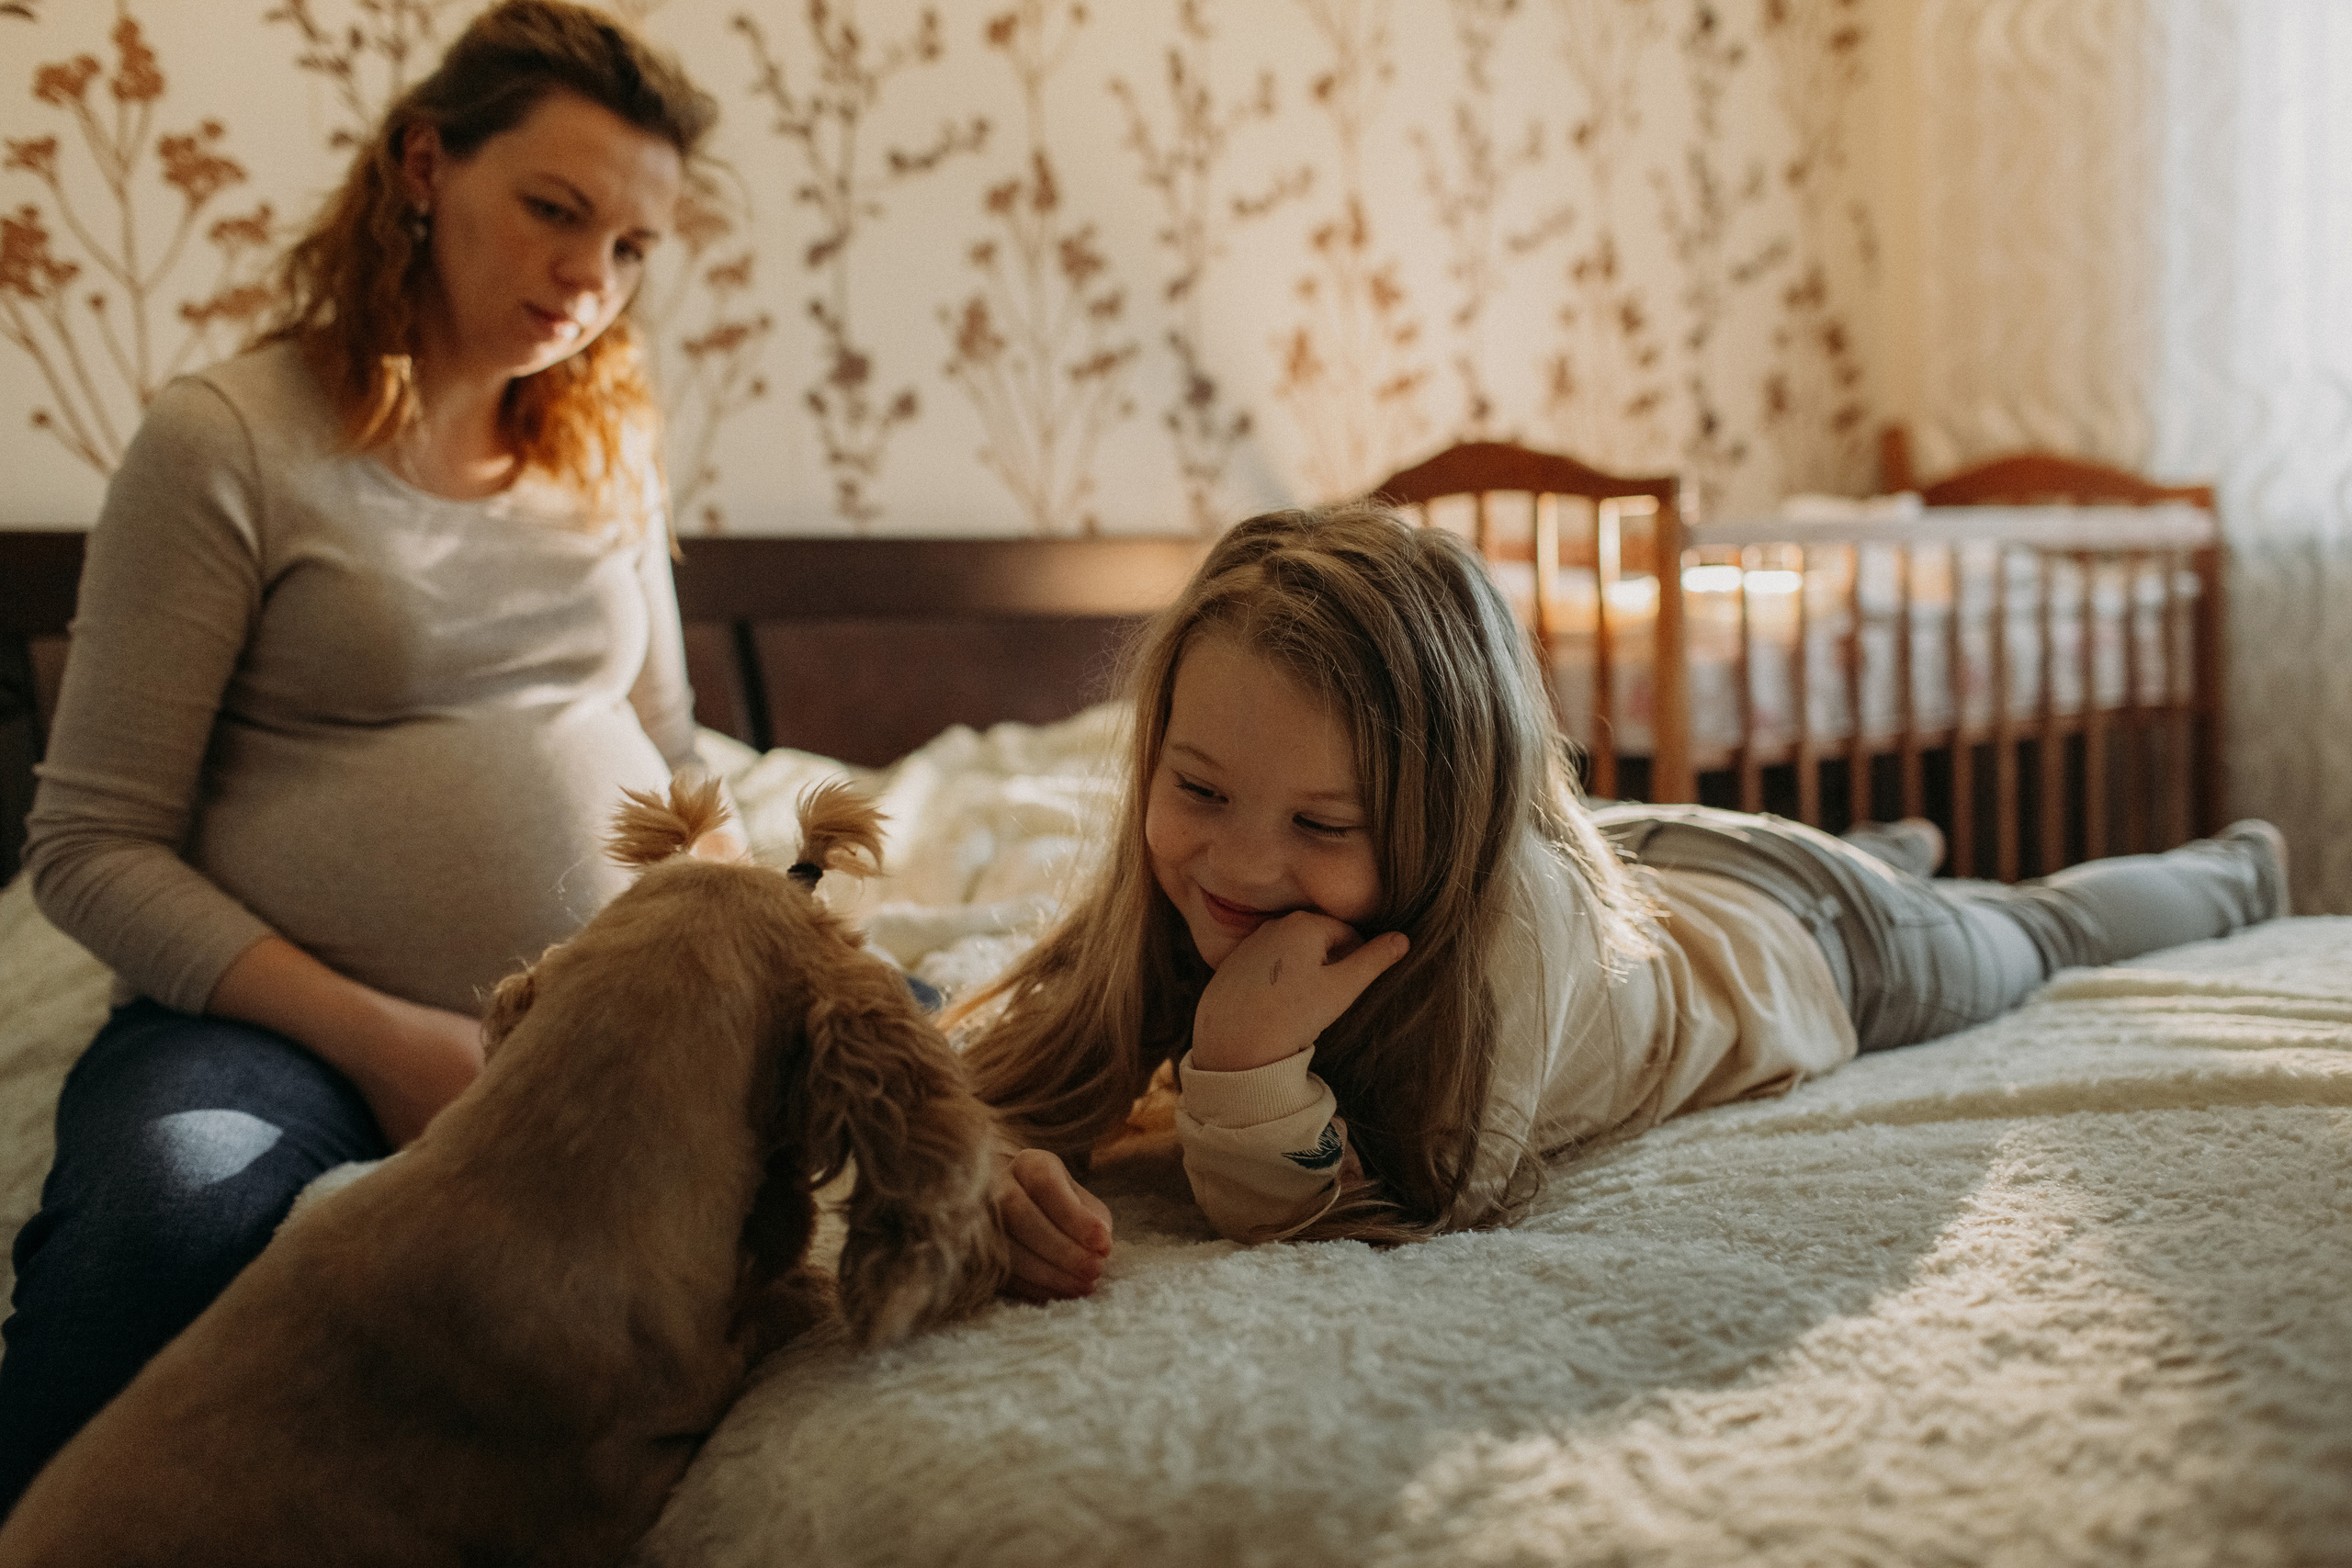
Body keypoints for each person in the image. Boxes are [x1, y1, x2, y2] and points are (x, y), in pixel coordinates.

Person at [0, 0, 721, 1511]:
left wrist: (748, 941)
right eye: (553, 210)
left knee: (926, 1056)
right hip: (285, 1031)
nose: (591, 278)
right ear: (420, 167)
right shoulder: (228, 440)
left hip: (596, 1011)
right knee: (167, 1222)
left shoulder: (613, 436)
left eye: (631, 246)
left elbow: (664, 745)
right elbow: (86, 849)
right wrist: (393, 1045)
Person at [971, 503, 2290, 1302]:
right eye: (1197, 790)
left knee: (2036, 933)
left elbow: (1409, 1215)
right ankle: (1886, 842)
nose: (1239, 868)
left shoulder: (1515, 941)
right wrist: (984, 1170)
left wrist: (1247, 1066)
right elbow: (994, 1074)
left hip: (1814, 950)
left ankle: (2228, 869)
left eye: (1324, 826)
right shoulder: (1192, 879)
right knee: (1836, 860)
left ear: (1456, 818)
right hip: (1653, 858)